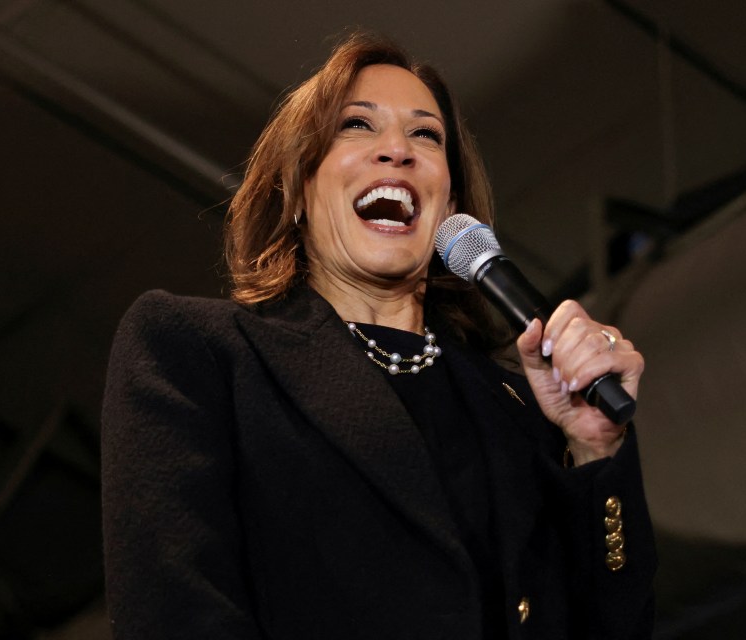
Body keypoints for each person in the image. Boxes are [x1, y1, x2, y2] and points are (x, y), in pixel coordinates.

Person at [101, 31, 656, 640]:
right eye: (357, 126)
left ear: (451, 208)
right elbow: (176, 612)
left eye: (426, 134)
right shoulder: (198, 353)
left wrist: (595, 452)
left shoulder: (521, 411)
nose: (398, 150)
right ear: (296, 188)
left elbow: (616, 626)